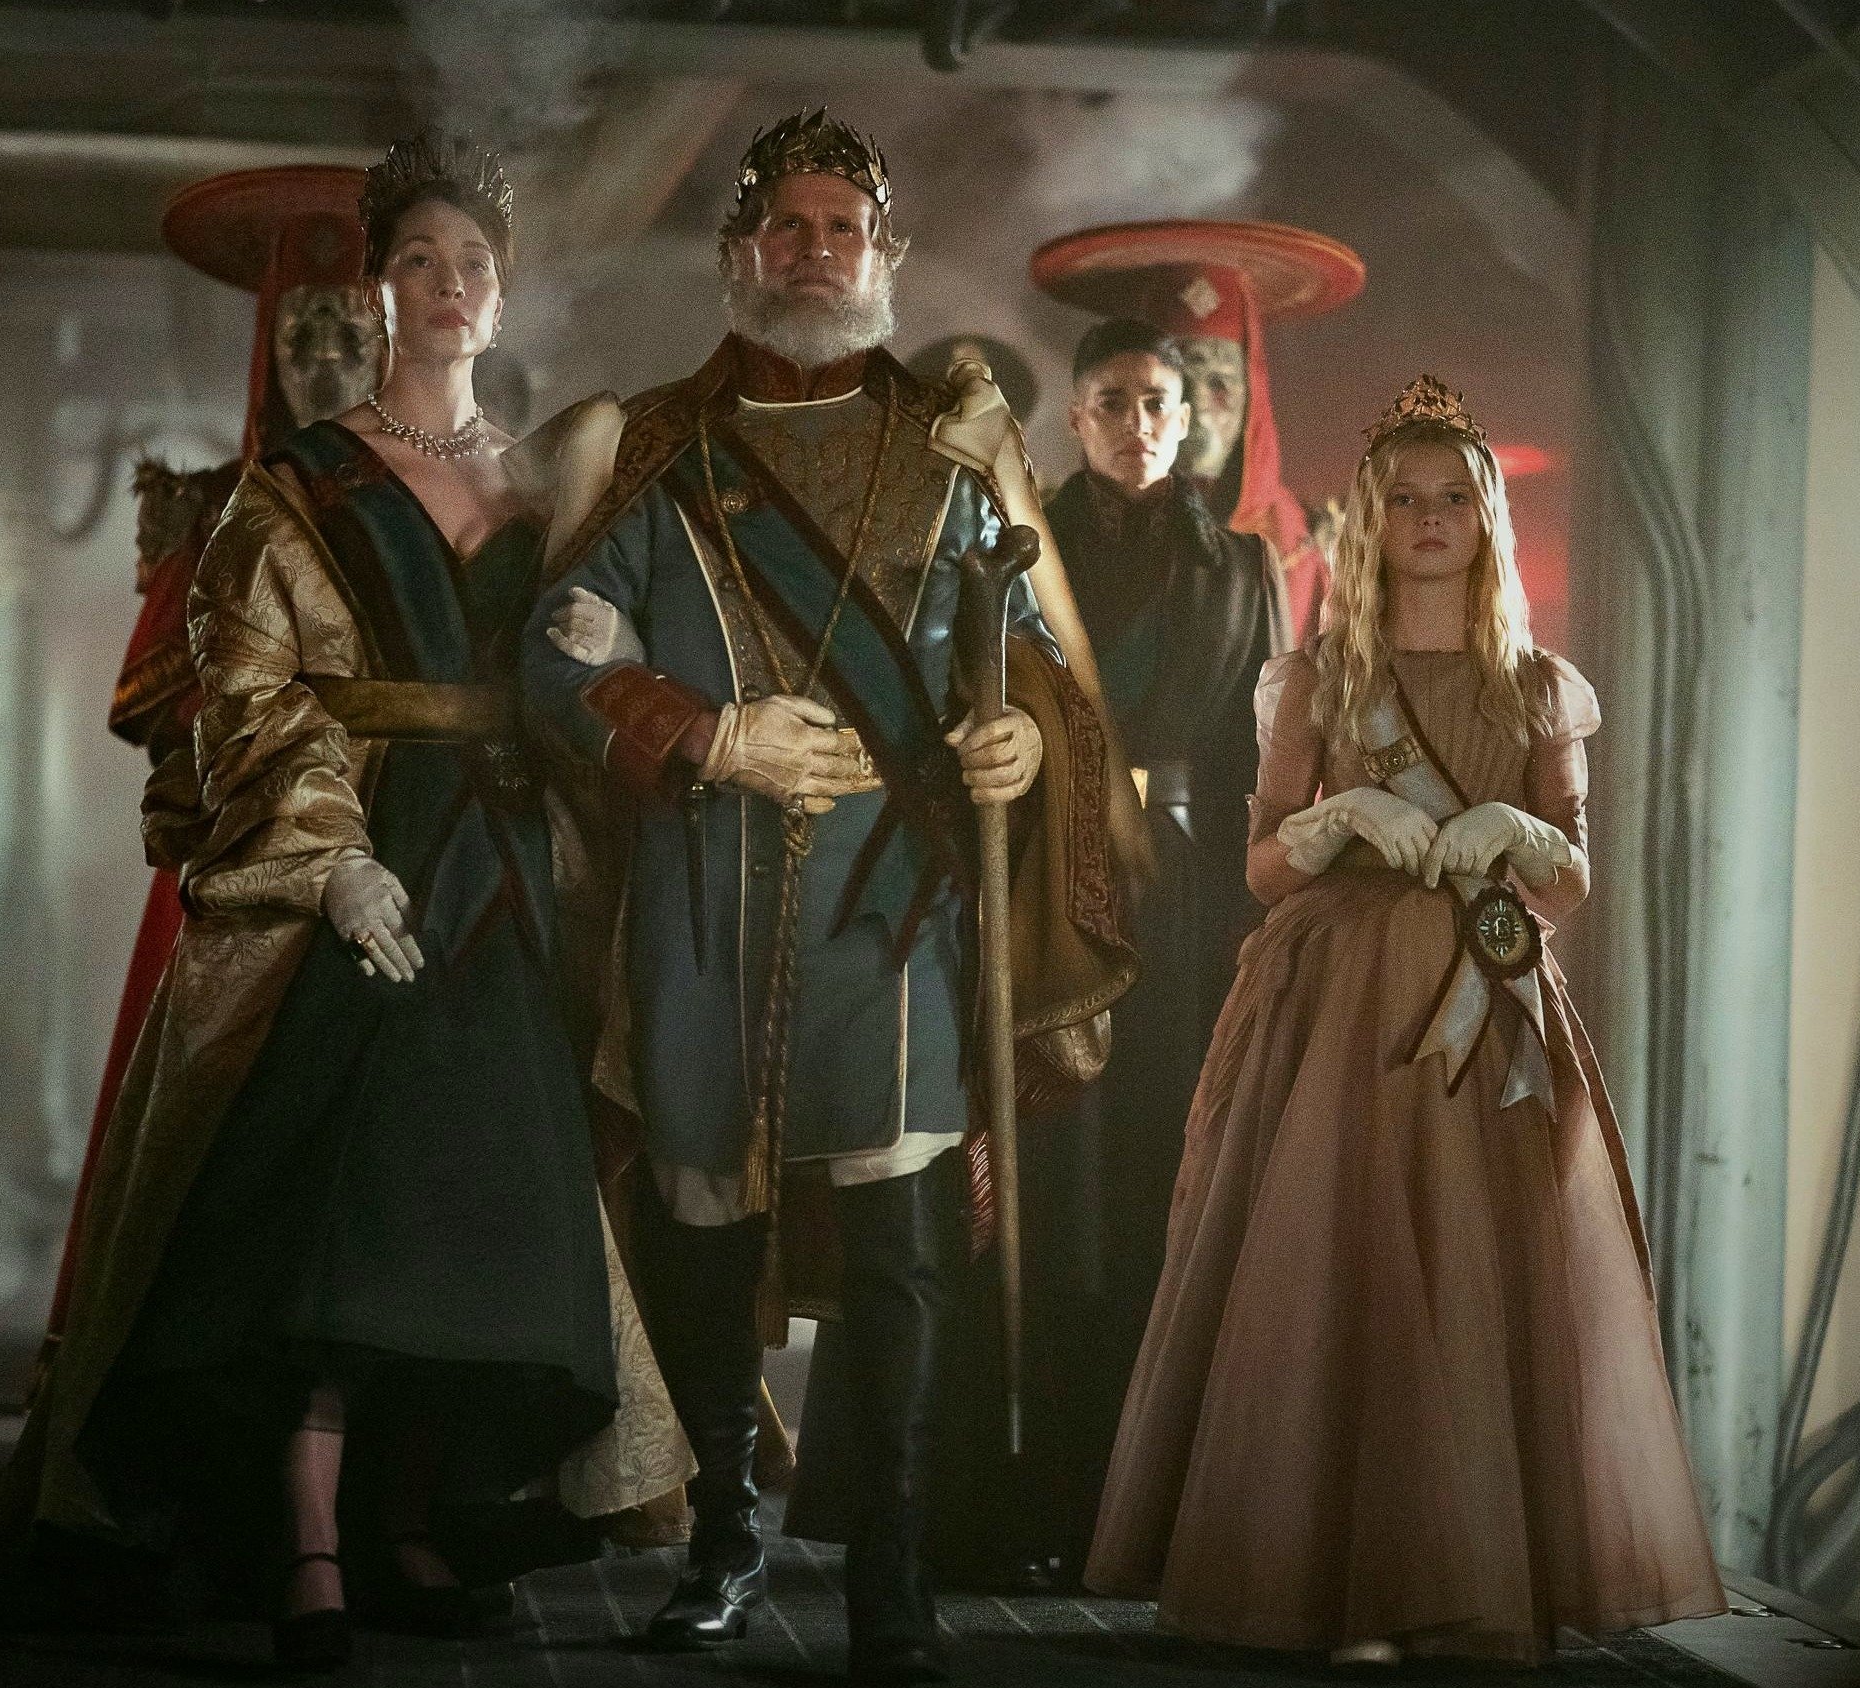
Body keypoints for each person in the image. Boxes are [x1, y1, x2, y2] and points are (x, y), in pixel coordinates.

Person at [0, 133, 688, 1674]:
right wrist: (333, 856)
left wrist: (600, 650)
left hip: (510, 874)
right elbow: (248, 691)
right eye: (418, 260)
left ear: (503, 299)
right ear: (376, 292)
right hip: (365, 861)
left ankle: (407, 1522)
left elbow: (593, 678)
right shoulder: (292, 489)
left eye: (474, 264)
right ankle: (306, 1539)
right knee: (328, 1218)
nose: (447, 284)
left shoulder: (547, 487)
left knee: (483, 1213)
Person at [522, 108, 1133, 1685]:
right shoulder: (658, 448)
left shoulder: (952, 450)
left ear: (884, 255)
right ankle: (724, 1540)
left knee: (900, 1247)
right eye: (785, 228)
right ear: (741, 252)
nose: (814, 253)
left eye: (840, 229)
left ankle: (894, 1570)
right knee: (701, 1228)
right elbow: (556, 658)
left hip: (894, 902)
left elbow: (1038, 656)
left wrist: (1021, 735)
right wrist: (704, 733)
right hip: (701, 902)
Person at [1086, 375, 1725, 1666]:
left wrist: (1519, 829)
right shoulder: (1315, 683)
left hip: (1487, 1010)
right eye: (1404, 499)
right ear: (1370, 521)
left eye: (1454, 499)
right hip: (1337, 1010)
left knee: (1480, 1284)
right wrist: (1334, 821)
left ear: (1487, 520)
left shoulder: (1541, 689)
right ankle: (1329, 1585)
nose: (1431, 519)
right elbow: (1263, 867)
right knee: (1335, 1276)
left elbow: (1570, 881)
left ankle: (1462, 1581)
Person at [922, 318, 1280, 1590]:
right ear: (1074, 417)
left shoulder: (1243, 567)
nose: (1138, 423)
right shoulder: (1011, 548)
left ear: (1191, 420)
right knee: (1048, 1188)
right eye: (1114, 400)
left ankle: (1143, 1510)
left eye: (1158, 402)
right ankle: (1013, 1500)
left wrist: (1251, 923)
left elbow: (1258, 761)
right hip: (1042, 888)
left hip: (1181, 905)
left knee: (1153, 1189)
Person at [37, 165, 384, 1442]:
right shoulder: (208, 510)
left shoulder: (446, 501)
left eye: (351, 330)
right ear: (267, 344)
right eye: (304, 332)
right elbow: (160, 708)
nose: (327, 356)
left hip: (399, 840)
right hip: (237, 857)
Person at [1029, 219, 1363, 641]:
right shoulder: (1053, 537)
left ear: (1253, 393)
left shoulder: (1299, 551)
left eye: (1220, 384)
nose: (1202, 410)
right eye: (1179, 387)